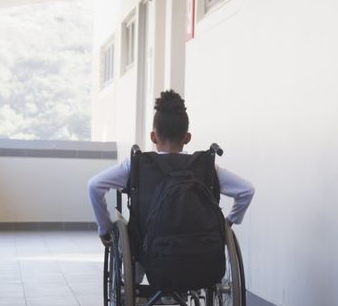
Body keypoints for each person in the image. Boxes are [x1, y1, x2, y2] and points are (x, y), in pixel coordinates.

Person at [87, 90, 255, 247]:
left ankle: (134, 275)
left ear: (153, 136)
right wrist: (227, 224)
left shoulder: (137, 165)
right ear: (187, 138)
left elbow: (94, 185)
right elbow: (247, 190)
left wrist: (105, 228)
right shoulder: (205, 166)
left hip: (149, 248)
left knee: (135, 251)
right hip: (200, 249)